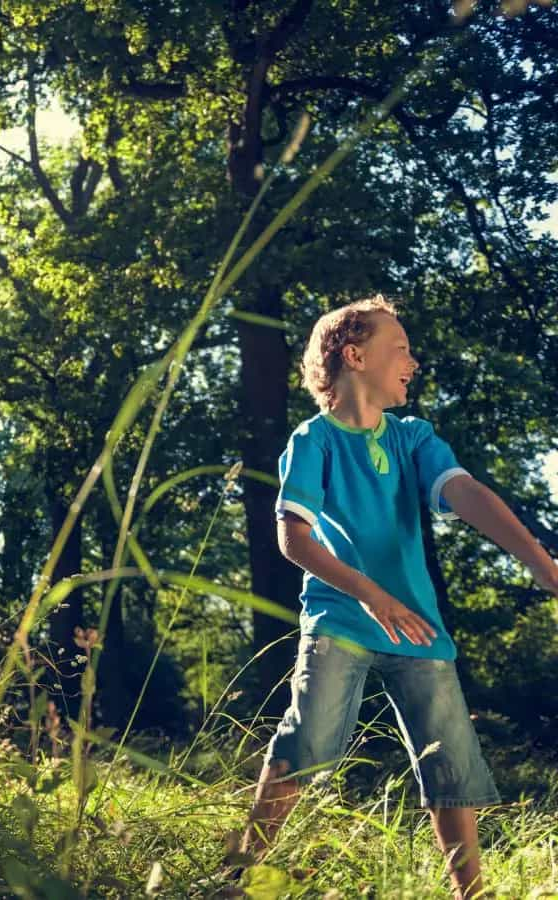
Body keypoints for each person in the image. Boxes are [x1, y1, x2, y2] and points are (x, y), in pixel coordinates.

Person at [239, 295, 558, 899]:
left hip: (417, 627)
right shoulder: (315, 440)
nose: (414, 360)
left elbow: (465, 492)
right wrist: (369, 596)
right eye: (402, 348)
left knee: (452, 767)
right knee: (306, 744)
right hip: (340, 619)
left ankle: (474, 894)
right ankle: (238, 876)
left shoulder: (413, 438)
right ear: (354, 356)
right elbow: (294, 539)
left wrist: (542, 564)